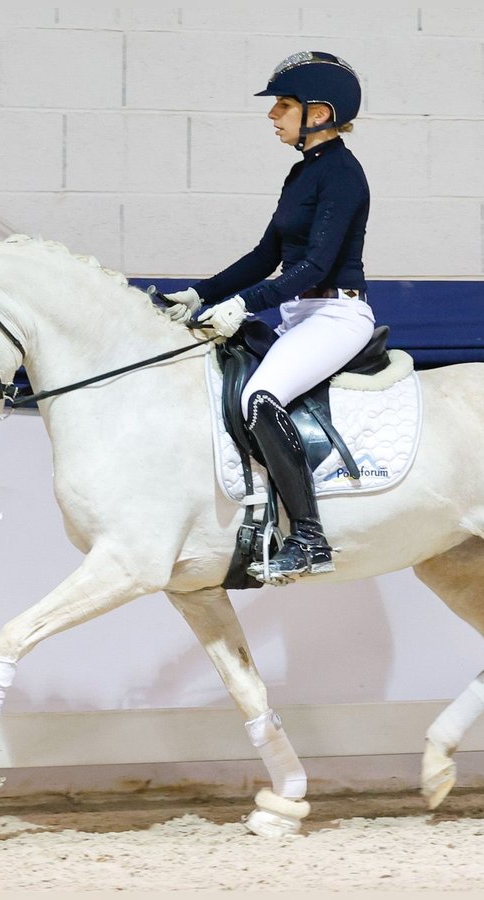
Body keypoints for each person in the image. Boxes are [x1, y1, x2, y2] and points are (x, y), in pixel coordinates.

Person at [163, 50, 375, 584]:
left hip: (336, 314)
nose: (273, 115)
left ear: (320, 113)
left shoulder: (344, 176)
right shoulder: (301, 174)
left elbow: (314, 265)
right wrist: (200, 294)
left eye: (284, 105)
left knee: (261, 400)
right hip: (301, 314)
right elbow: (266, 256)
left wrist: (244, 305)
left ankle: (309, 538)